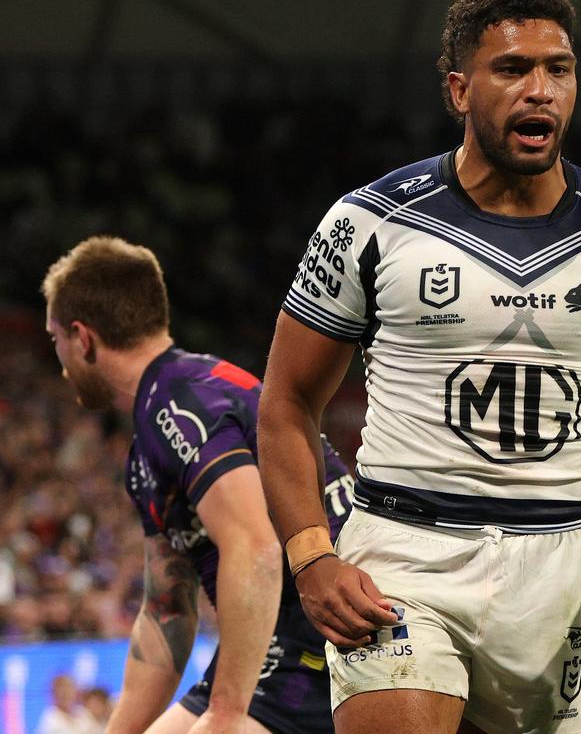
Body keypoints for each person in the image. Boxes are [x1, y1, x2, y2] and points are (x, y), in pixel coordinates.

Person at [258, 0, 581, 734]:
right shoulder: (370, 222)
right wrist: (312, 556)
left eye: (559, 69)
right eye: (512, 70)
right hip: (405, 555)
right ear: (458, 89)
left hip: (557, 570)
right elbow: (285, 402)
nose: (540, 90)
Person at [41, 236, 354, 734]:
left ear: (82, 338)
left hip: (320, 631)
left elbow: (255, 547)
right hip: (276, 635)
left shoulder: (179, 405)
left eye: (55, 339)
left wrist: (227, 715)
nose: (59, 361)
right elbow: (167, 610)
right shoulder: (161, 421)